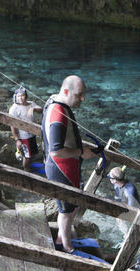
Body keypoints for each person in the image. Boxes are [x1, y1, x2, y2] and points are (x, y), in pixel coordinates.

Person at [42, 75, 103, 255]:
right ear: (66, 91)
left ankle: (63, 237)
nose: (82, 99)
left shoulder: (54, 100)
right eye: (79, 95)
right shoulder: (58, 113)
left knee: (69, 206)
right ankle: (67, 247)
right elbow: (56, 150)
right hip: (61, 167)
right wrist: (80, 152)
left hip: (63, 166)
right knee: (67, 210)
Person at [9, 86, 42, 171]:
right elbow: (12, 125)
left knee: (33, 153)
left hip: (32, 134)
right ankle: (26, 170)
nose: (20, 98)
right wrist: (17, 139)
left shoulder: (30, 104)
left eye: (22, 95)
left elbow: (41, 110)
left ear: (26, 96)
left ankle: (29, 165)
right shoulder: (14, 109)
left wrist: (33, 108)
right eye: (18, 96)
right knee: (27, 156)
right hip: (23, 137)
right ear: (15, 97)